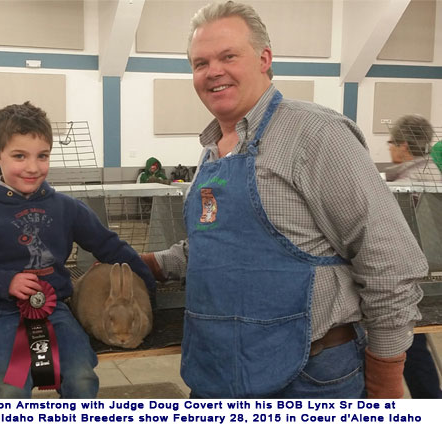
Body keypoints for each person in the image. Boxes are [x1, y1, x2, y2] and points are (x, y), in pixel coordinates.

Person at [141, 1, 427, 399]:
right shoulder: (211, 151)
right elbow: (218, 248)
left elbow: (390, 261)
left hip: (308, 381)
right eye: (200, 63)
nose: (213, 72)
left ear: (264, 58)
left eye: (228, 56)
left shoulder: (316, 135)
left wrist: (385, 378)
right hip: (217, 374)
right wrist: (149, 263)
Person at [0, 102, 156, 398]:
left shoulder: (66, 208)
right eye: (19, 156)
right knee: (12, 385)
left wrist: (147, 286)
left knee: (81, 377)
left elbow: (109, 246)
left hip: (55, 310)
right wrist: (6, 282)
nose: (32, 167)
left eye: (42, 156)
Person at [385, 115, 442, 399]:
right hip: (428, 281)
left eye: (392, 143)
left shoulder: (406, 185)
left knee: (410, 347)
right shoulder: (432, 173)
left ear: (404, 145)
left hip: (413, 285)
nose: (390, 149)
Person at [385, 114, 442, 184]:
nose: (389, 148)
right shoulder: (432, 169)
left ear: (403, 146)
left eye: (391, 143)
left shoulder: (404, 183)